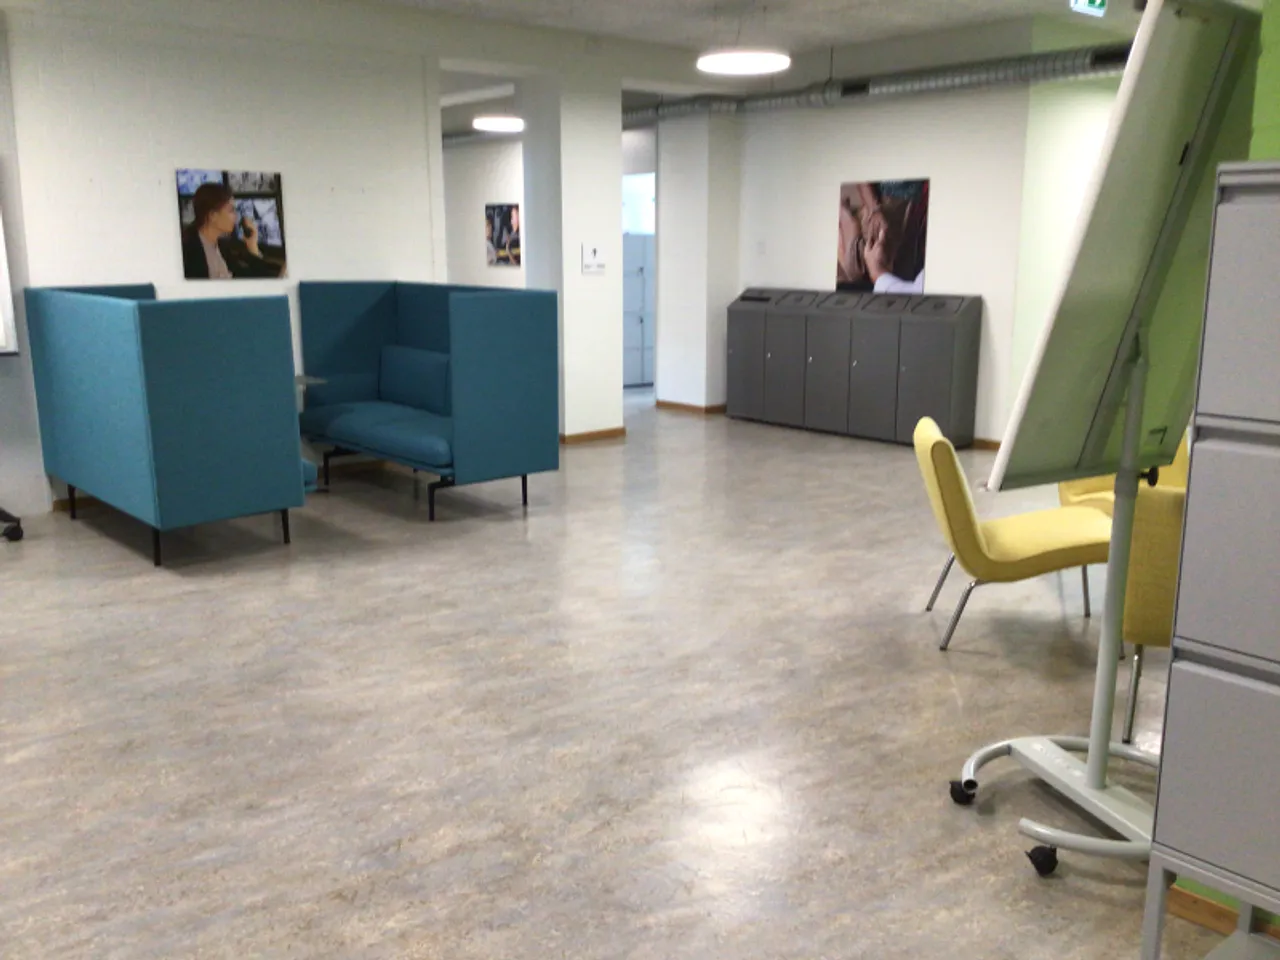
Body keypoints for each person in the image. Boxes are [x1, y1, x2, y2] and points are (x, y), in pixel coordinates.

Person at [181, 183, 282, 280]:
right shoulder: (187, 255)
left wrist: (252, 246)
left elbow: (257, 279)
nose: (236, 216)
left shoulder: (223, 248)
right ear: (212, 216)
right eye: (231, 211)